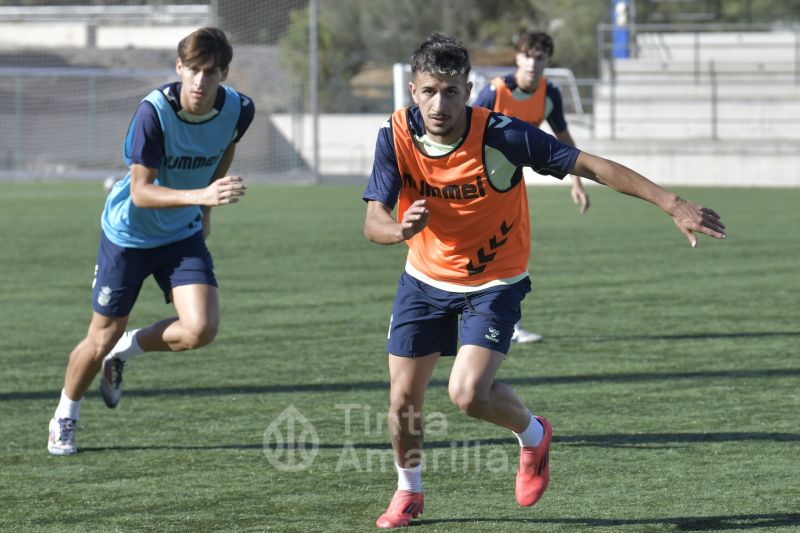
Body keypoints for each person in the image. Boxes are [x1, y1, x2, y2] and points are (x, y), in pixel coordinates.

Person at [362, 33, 724, 528]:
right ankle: (408, 492)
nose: (439, 103)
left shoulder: (504, 135)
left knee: (467, 394)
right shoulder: (395, 133)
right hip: (423, 280)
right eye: (429, 91)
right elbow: (373, 220)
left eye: (450, 91)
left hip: (494, 282)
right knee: (402, 400)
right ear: (412, 90)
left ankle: (533, 436)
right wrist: (398, 229)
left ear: (468, 90)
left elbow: (591, 164)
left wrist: (672, 204)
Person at [47, 27, 255, 455]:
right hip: (128, 235)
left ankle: (125, 352)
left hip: (181, 234)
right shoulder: (153, 113)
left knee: (201, 329)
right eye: (193, 70)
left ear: (224, 74)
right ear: (179, 68)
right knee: (100, 335)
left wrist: (205, 213)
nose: (200, 81)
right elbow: (141, 191)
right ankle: (65, 415)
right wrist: (202, 197)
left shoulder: (239, 109)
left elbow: (224, 149)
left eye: (211, 73)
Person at [473, 30, 588, 344]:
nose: (532, 63)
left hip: (509, 187)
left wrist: (575, 181)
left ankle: (506, 325)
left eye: (540, 57)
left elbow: (564, 140)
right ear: (517, 57)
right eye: (527, 55)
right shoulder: (493, 93)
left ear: (547, 61)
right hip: (474, 185)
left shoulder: (549, 94)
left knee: (511, 252)